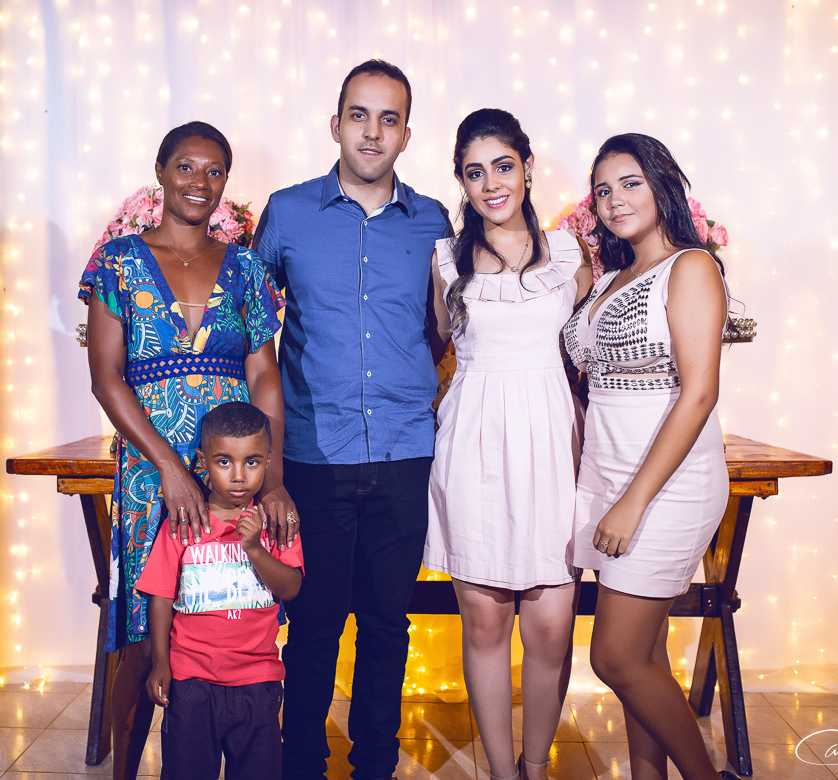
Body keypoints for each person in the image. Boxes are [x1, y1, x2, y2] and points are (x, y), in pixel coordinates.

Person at [251, 59, 451, 780]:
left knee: (387, 626)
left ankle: (375, 766)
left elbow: (444, 327)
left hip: (404, 452)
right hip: (313, 455)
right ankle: (301, 763)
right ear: (336, 125)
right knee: (312, 624)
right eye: (359, 116)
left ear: (406, 135)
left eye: (388, 119)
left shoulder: (434, 220)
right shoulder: (287, 213)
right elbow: (251, 325)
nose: (372, 132)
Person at [80, 121, 294, 780]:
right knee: (143, 631)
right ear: (161, 172)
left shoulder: (246, 268)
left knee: (228, 608)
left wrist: (273, 478)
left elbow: (264, 375)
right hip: (153, 471)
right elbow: (106, 377)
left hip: (236, 470)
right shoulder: (118, 262)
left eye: (214, 171)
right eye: (185, 167)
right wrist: (172, 469)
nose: (199, 182)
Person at [561, 134, 740, 780]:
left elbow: (699, 393)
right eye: (603, 190)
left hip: (665, 486)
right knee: (645, 656)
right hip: (606, 474)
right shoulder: (611, 278)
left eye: (630, 183)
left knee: (615, 657)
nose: (615, 200)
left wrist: (633, 502)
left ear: (663, 185)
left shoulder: (691, 267)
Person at [423, 109, 593, 780]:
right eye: (475, 172)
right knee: (486, 624)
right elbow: (434, 347)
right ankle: (501, 772)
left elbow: (591, 353)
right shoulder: (444, 259)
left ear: (526, 167)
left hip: (552, 441)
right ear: (462, 182)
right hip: (474, 445)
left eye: (502, 166)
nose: (491, 183)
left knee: (551, 627)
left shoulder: (571, 254)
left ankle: (536, 763)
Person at [137, 401, 304, 780]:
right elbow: (161, 596)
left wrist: (256, 550)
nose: (239, 476)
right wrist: (161, 663)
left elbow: (291, 587)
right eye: (224, 462)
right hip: (191, 682)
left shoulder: (274, 523)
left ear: (269, 461)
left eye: (253, 462)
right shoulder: (184, 525)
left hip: (258, 681)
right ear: (203, 460)